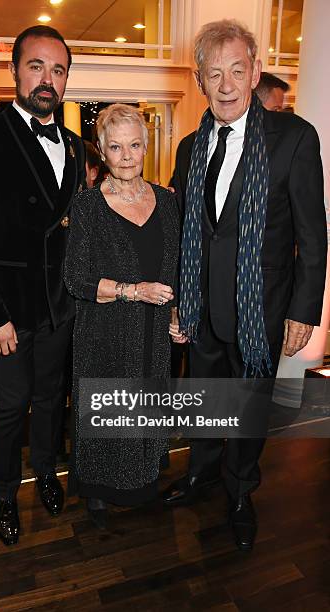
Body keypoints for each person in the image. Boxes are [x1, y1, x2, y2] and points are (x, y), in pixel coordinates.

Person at [165, 19, 327, 552]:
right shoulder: (189, 148)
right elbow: (183, 232)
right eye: (215, 74)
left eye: (238, 70)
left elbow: (312, 233)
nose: (228, 84)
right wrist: (176, 299)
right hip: (200, 308)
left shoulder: (294, 138)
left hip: (261, 309)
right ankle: (203, 473)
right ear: (200, 81)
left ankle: (240, 490)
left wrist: (305, 310)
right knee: (207, 398)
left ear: (255, 72)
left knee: (248, 407)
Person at [0, 26, 85, 546]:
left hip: (58, 307)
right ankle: (4, 494)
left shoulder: (73, 146)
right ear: (13, 71)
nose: (47, 79)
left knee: (51, 397)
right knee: (11, 404)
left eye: (58, 69)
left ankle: (46, 471)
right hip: (5, 309)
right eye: (36, 66)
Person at [64, 104, 179, 528]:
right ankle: (97, 488)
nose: (126, 155)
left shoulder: (167, 203)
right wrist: (134, 292)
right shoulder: (88, 207)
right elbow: (75, 279)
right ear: (102, 151)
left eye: (134, 145)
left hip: (153, 332)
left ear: (146, 147)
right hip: (106, 331)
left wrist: (174, 313)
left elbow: (176, 267)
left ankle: (142, 480)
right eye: (116, 147)